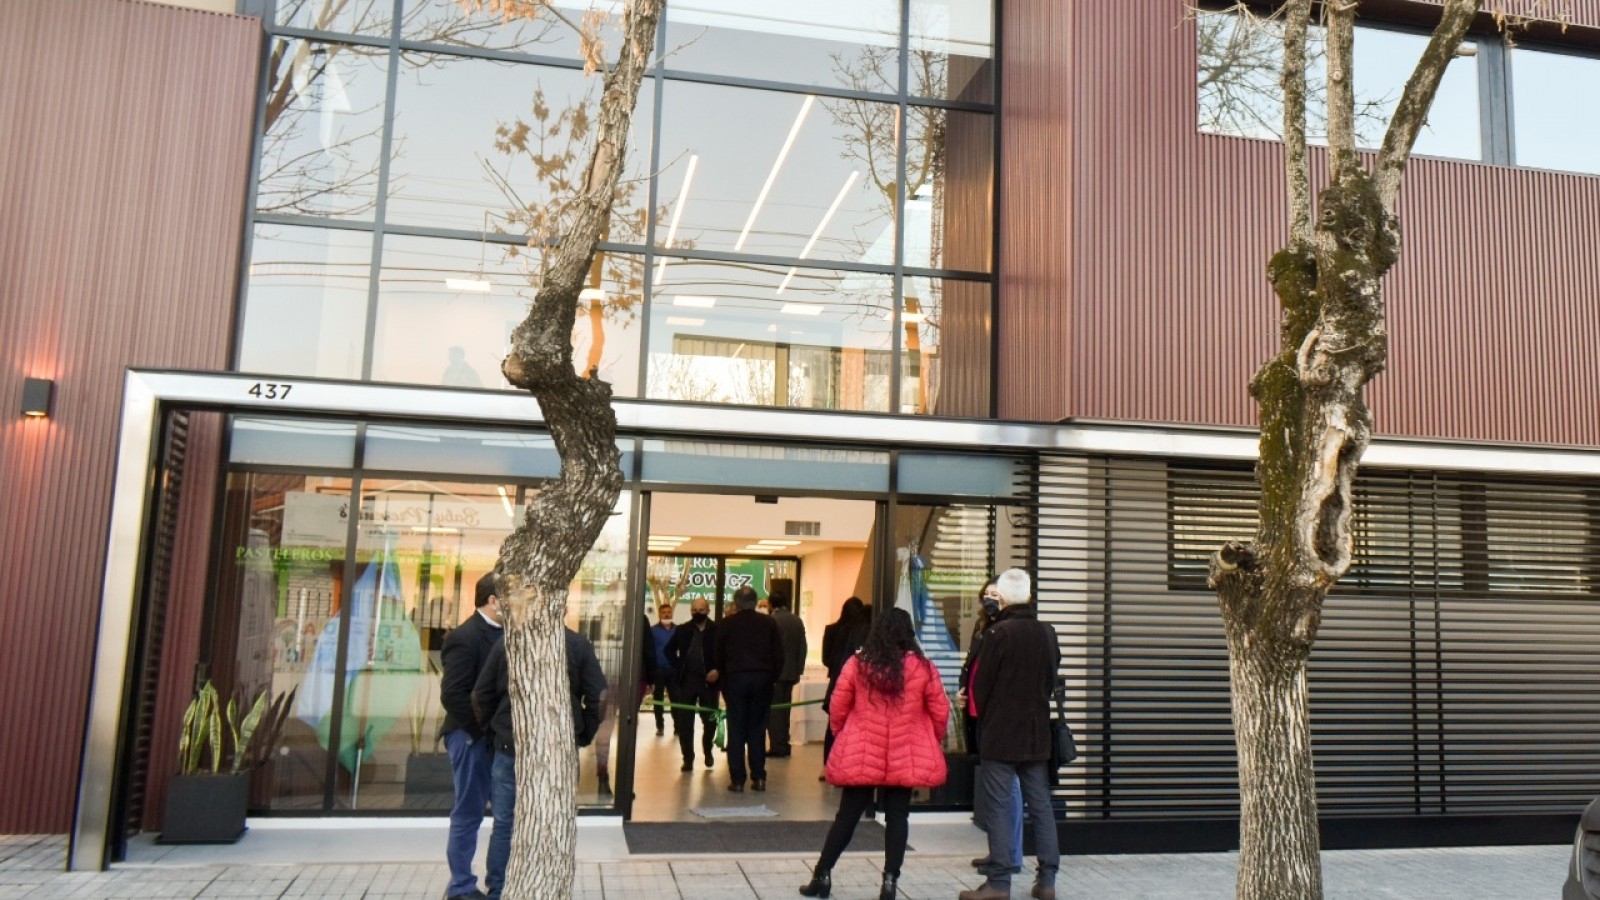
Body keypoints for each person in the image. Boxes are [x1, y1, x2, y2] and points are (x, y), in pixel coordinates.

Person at [799, 608, 950, 900]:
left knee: (847, 816)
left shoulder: (858, 664)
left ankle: (822, 875)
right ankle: (890, 883)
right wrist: (930, 738)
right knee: (897, 817)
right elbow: (940, 711)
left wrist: (843, 733)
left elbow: (838, 706)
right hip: (905, 751)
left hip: (862, 748)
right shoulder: (923, 667)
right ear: (908, 633)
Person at [474, 626, 606, 900]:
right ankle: (546, 888)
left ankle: (498, 889)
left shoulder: (508, 642)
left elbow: (481, 695)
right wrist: (582, 733)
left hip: (510, 746)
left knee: (504, 823)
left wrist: (495, 731)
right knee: (555, 821)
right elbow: (599, 698)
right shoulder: (577, 645)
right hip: (558, 749)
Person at [959, 568, 1062, 900]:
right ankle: (1046, 881)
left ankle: (999, 883)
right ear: (1029, 596)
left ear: (1000, 598)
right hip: (1036, 734)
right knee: (1041, 805)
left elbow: (982, 687)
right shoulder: (1048, 633)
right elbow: (1051, 679)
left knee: (1000, 806)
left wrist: (986, 717)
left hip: (1002, 734)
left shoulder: (998, 634)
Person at [439, 572, 504, 900]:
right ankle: (461, 887)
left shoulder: (507, 633)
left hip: (494, 740)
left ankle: (498, 883)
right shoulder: (465, 636)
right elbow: (452, 695)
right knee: (468, 813)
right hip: (470, 738)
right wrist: (482, 732)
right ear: (493, 601)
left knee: (504, 814)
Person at [959, 579, 1023, 876]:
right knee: (995, 790)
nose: (989, 600)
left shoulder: (1008, 632)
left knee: (1008, 790)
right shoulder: (983, 627)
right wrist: (964, 690)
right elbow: (973, 666)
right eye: (985, 595)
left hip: (1002, 720)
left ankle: (1010, 857)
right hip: (979, 714)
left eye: (995, 596)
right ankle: (998, 851)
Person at [711, 585, 785, 792]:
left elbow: (719, 656)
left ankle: (737, 780)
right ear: (755, 602)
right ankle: (759, 777)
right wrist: (772, 678)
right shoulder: (768, 623)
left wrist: (724, 681)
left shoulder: (726, 624)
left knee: (737, 729)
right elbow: (778, 655)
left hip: (735, 680)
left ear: (736, 604)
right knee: (758, 728)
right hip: (762, 679)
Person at [663, 597, 719, 772]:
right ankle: (688, 757)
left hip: (708, 684)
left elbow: (725, 653)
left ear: (708, 611)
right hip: (686, 682)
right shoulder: (683, 630)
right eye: (694, 610)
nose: (697, 613)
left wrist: (717, 670)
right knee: (685, 722)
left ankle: (708, 750)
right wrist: (679, 665)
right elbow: (668, 650)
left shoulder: (717, 630)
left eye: (701, 610)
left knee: (710, 721)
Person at [820, 597, 871, 770]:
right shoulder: (863, 633)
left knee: (834, 725)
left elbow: (827, 658)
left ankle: (829, 765)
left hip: (837, 681)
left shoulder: (835, 630)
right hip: (852, 684)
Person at [767, 590, 808, 758]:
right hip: (791, 672)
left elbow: (768, 648)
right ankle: (784, 742)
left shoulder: (771, 621)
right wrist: (798, 669)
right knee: (785, 709)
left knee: (774, 711)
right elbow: (802, 647)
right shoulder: (796, 620)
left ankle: (777, 745)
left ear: (770, 604)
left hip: (775, 673)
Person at [649, 603, 677, 736]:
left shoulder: (678, 630)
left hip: (673, 670)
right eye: (664, 612)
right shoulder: (653, 631)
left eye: (669, 612)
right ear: (659, 615)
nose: (667, 614)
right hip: (658, 670)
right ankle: (660, 726)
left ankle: (678, 727)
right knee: (658, 700)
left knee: (675, 699)